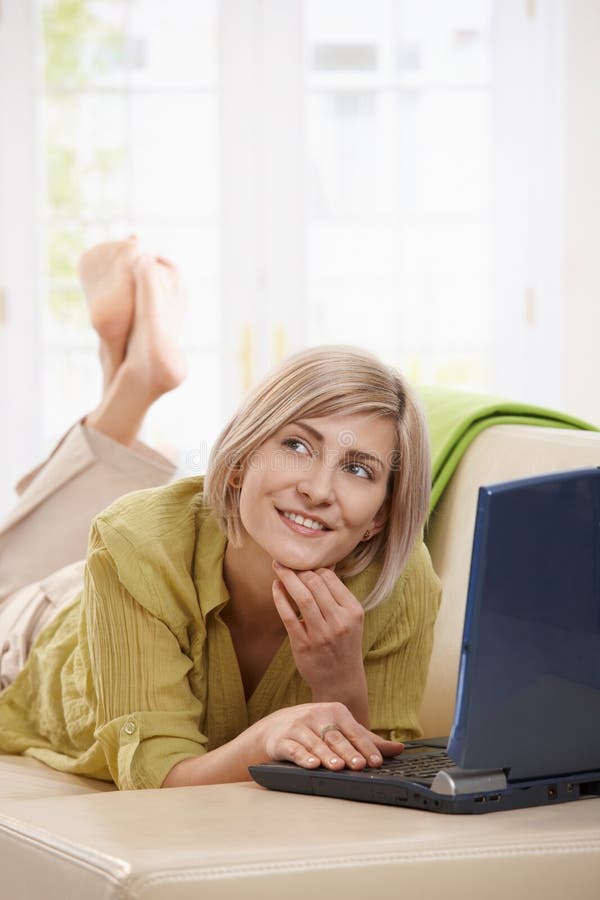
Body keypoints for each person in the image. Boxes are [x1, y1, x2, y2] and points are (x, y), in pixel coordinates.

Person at [0, 237, 441, 791]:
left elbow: (376, 780)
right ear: (237, 462)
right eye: (298, 446)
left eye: (358, 469)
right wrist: (263, 741)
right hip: (41, 620)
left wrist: (341, 685)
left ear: (379, 516)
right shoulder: (133, 540)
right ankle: (132, 378)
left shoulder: (403, 578)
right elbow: (156, 779)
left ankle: (130, 375)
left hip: (157, 547)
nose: (318, 490)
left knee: (135, 520)